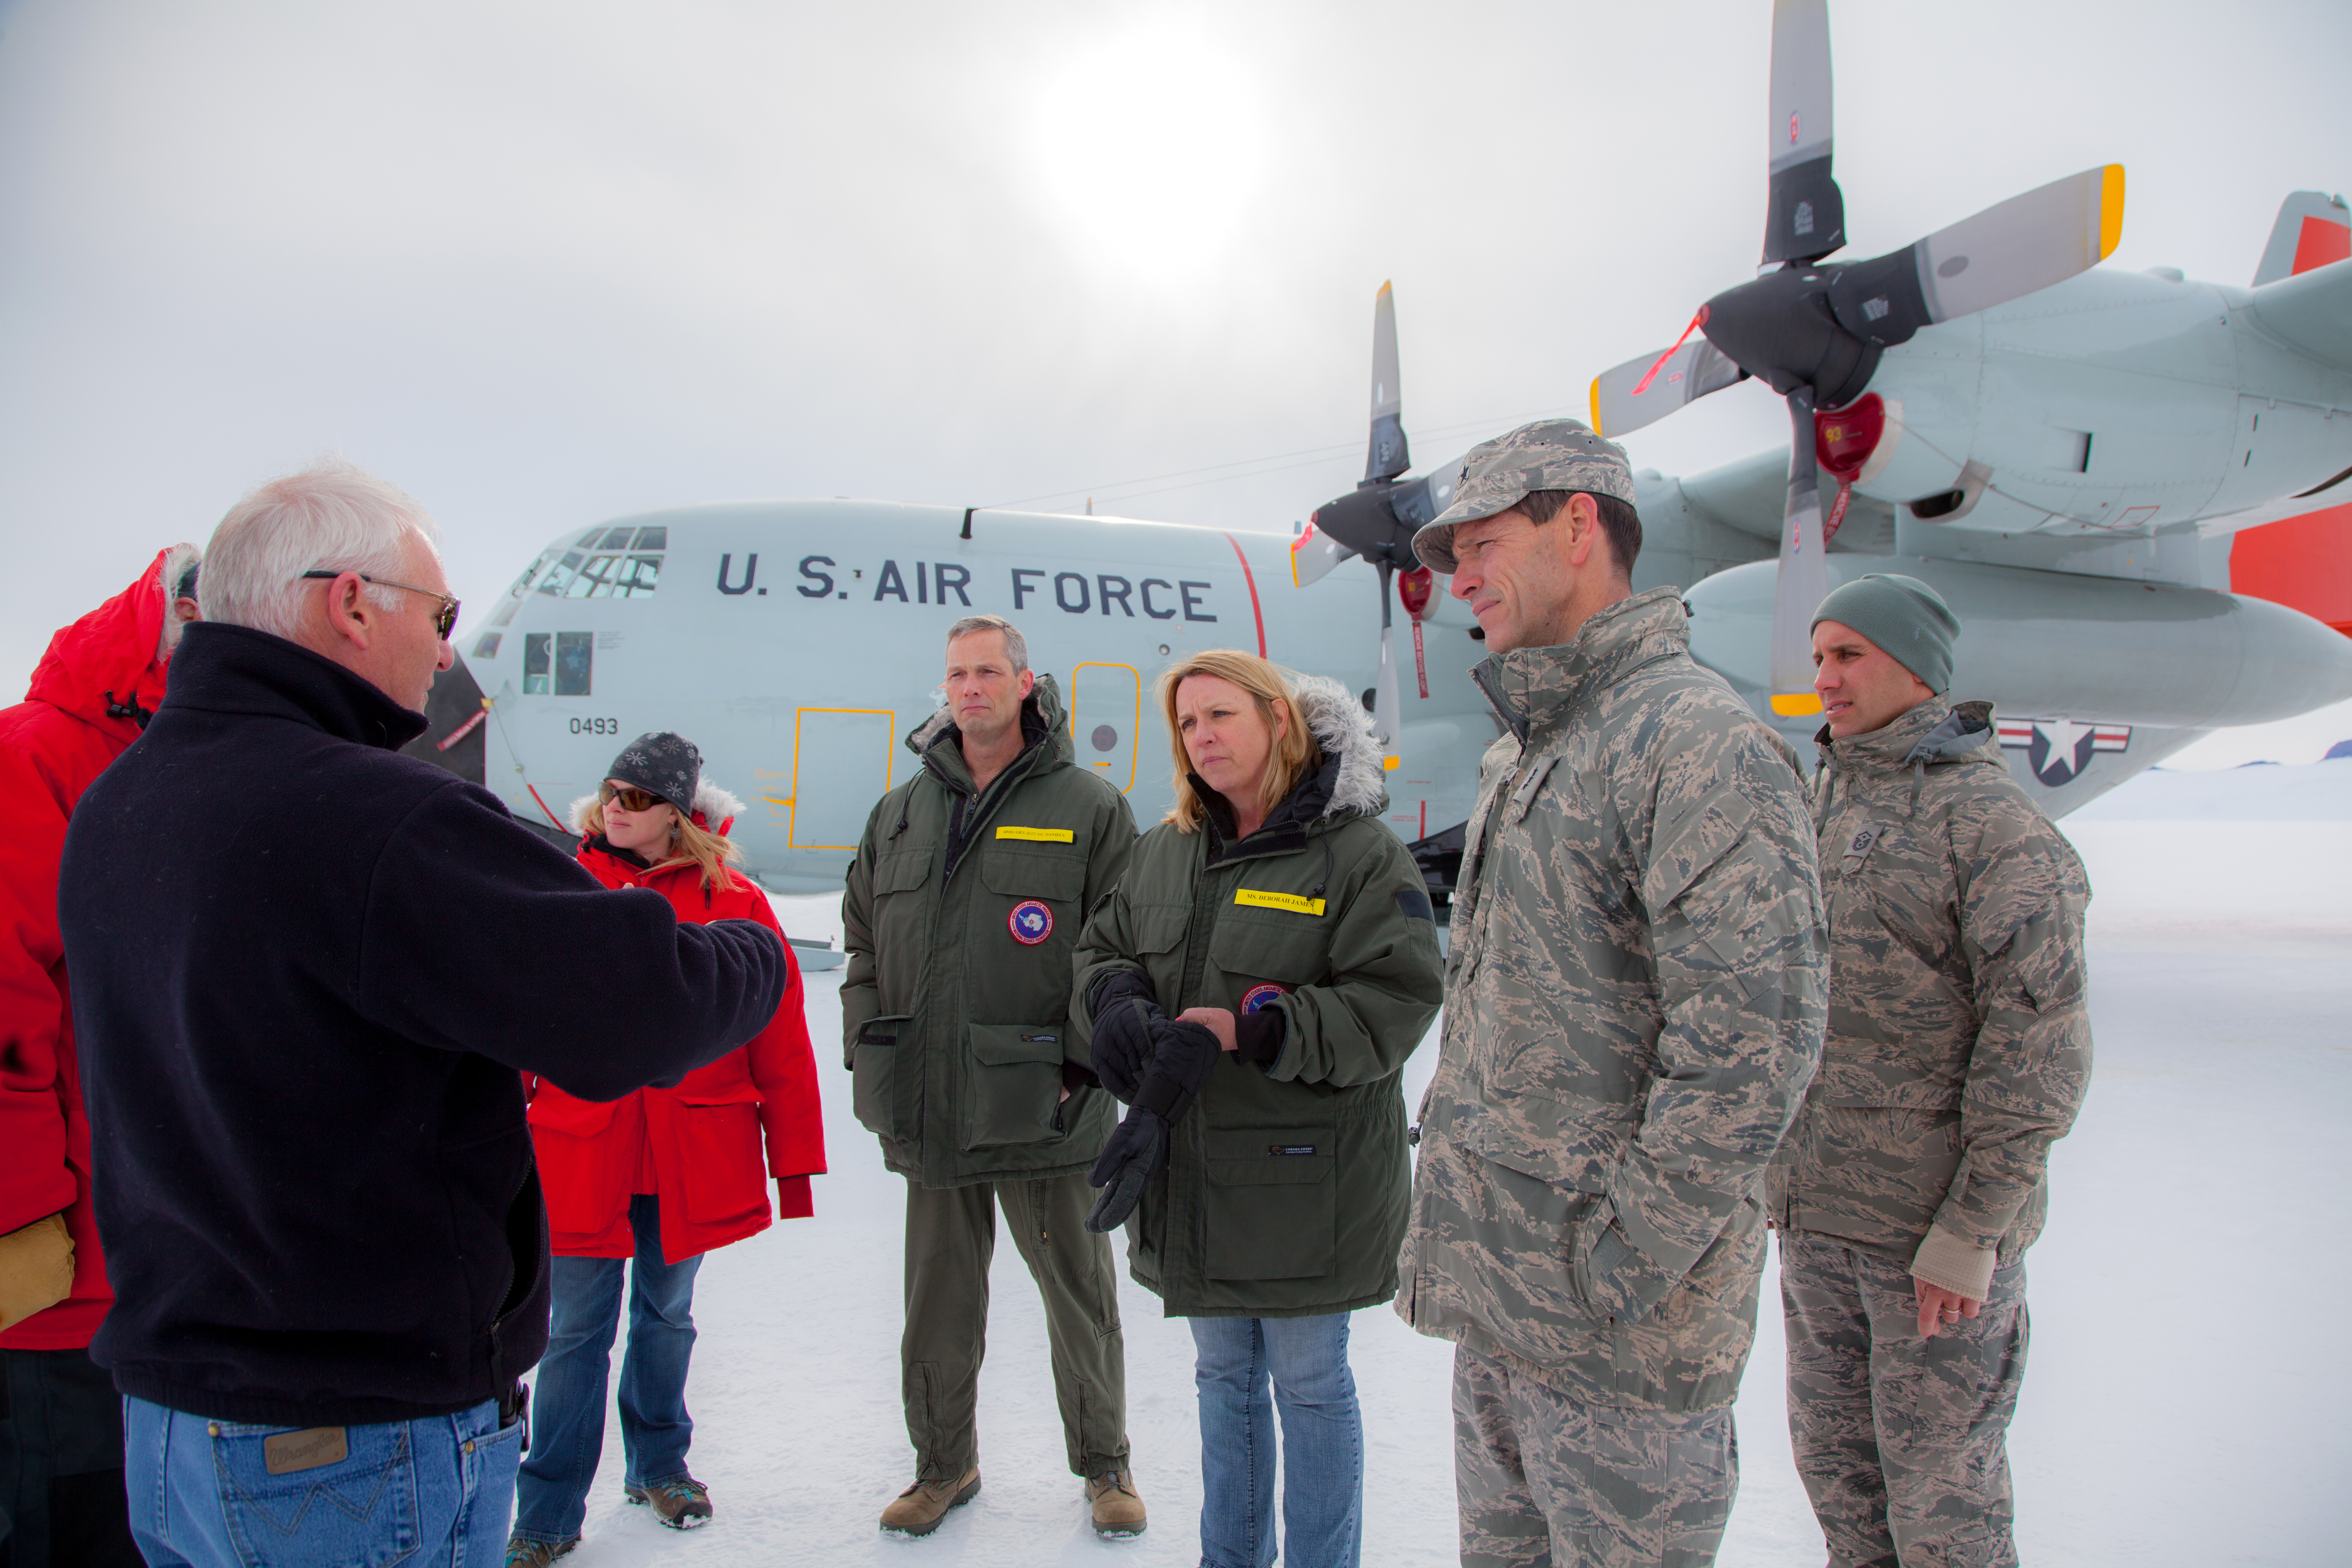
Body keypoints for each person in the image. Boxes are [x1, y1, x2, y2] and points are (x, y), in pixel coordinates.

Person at [55, 461, 790, 1568]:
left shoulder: (123, 798)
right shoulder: (375, 817)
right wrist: (753, 950)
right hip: (347, 1445)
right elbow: (631, 1010)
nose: (449, 650)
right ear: (349, 602)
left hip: (176, 1423)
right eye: (439, 615)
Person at [1393, 420, 1829, 1568]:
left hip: (1622, 1354)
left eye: (1483, 543)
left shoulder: (1695, 745)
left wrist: (1618, 1270)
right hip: (1505, 1319)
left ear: (1579, 526)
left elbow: (1753, 1049)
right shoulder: (1529, 749)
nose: (1460, 579)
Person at [1072, 652, 1443, 1568]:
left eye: (1221, 715)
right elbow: (1101, 946)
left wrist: (1264, 1027)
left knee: (1310, 1386)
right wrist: (1116, 1000)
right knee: (1222, 1382)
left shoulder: (1359, 853)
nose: (1202, 737)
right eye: (1187, 723)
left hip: (1304, 1188)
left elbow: (1397, 1000)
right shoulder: (1165, 850)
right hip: (1198, 1174)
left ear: (1279, 721)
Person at [1772, 576, 2092, 1568]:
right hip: (1818, 1225)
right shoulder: (1814, 808)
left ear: (1919, 668)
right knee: (1843, 1491)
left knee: (1942, 1510)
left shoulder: (1993, 830)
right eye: (1819, 656)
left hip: (1930, 1249)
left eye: (1849, 656)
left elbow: (2039, 1050)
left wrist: (1973, 1228)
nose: (1823, 679)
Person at [840, 614, 1144, 1538]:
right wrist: (869, 1041)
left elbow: (1118, 950)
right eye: (956, 675)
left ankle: (1106, 1468)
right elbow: (859, 941)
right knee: (937, 1303)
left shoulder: (1089, 807)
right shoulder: (899, 813)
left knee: (1079, 1298)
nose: (969, 689)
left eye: (986, 673)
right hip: (930, 1102)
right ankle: (944, 1468)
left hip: (1045, 1103)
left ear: (1024, 684)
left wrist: (1083, 1062)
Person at [505, 734, 827, 1565]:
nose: (619, 806)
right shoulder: (560, 890)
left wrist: (792, 1165)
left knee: (666, 1315)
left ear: (680, 817)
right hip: (585, 1149)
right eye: (614, 791)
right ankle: (546, 1513)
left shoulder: (737, 901)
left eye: (641, 797)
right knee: (575, 1329)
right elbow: (512, 1021)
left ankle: (660, 1467)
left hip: (689, 1151)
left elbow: (779, 1036)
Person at [0, 546, 198, 1568]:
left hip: (179, 1277)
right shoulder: (38, 752)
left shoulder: (210, 758)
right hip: (63, 1284)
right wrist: (25, 1237)